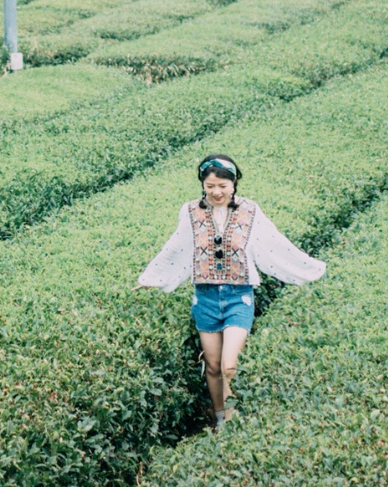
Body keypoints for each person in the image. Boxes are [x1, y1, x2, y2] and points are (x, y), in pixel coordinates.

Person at [136, 154, 324, 428]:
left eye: (222, 185)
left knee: (228, 366)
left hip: (239, 297)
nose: (216, 192)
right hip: (206, 298)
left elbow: (274, 243)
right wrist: (152, 277)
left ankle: (233, 423)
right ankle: (220, 417)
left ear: (234, 184)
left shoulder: (250, 211)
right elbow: (177, 246)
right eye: (210, 185)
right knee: (212, 367)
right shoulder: (190, 211)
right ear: (203, 184)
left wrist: (308, 269)